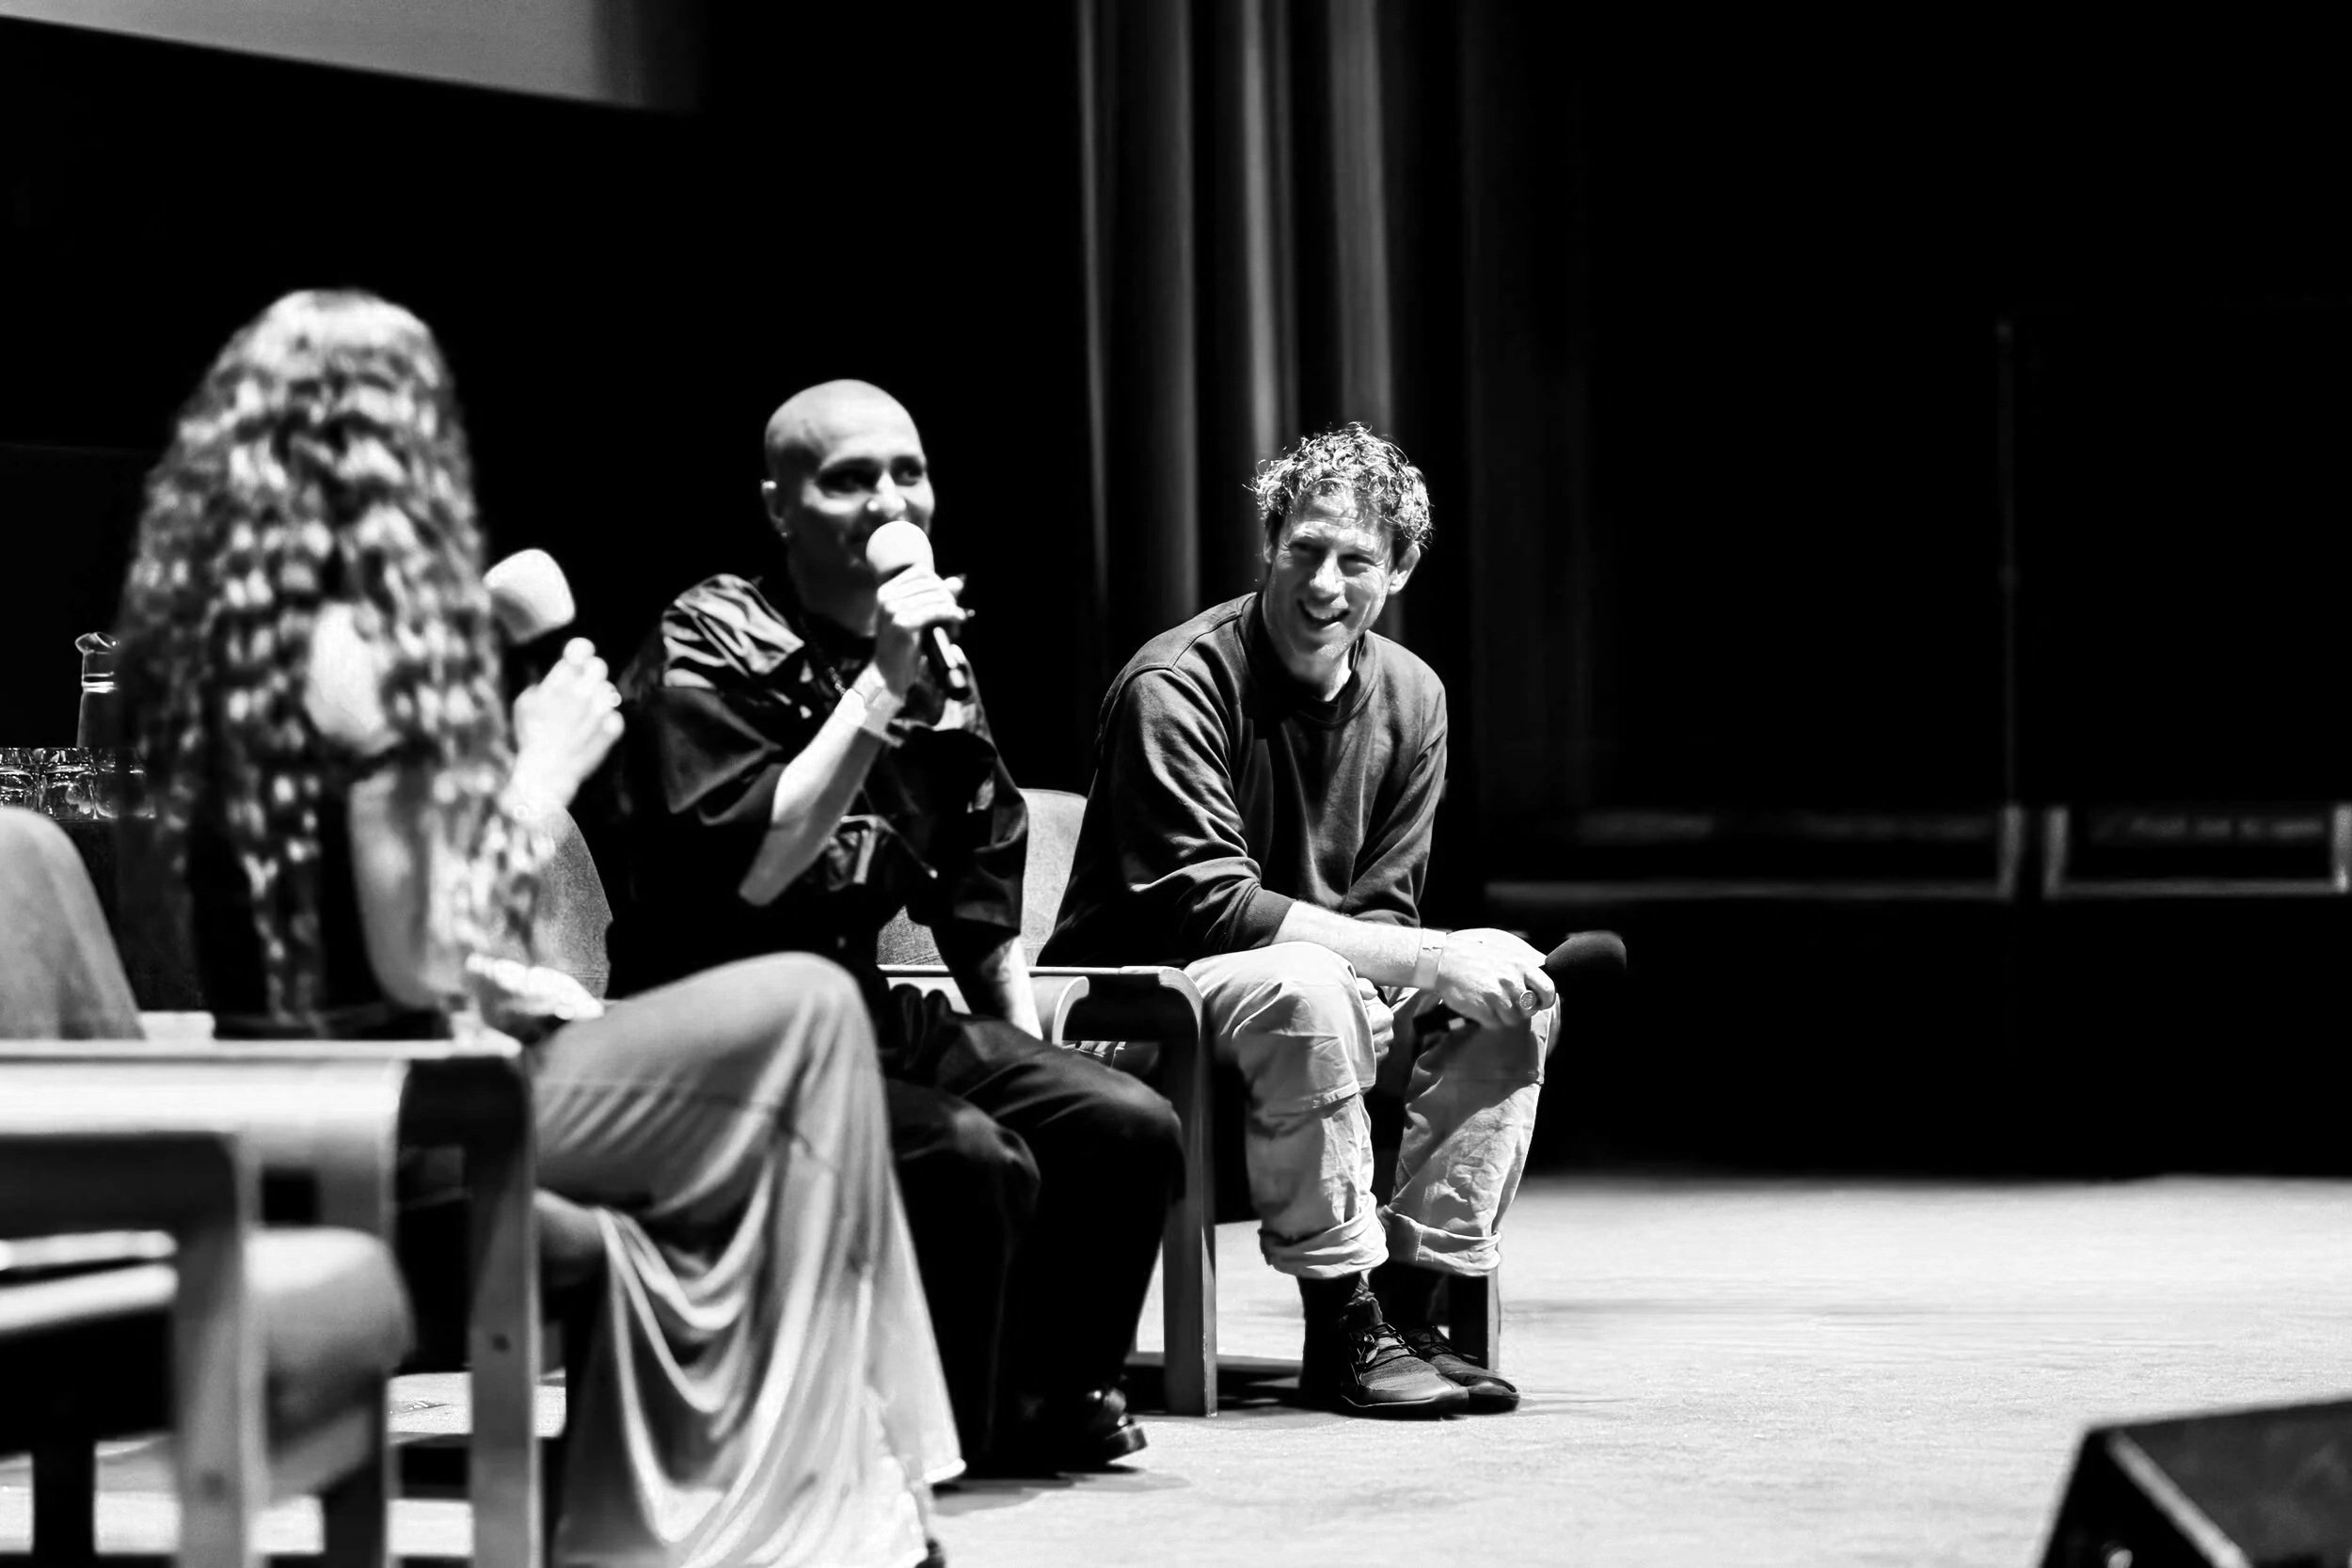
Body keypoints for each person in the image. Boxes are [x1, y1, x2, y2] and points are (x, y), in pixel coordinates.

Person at [113, 292, 960, 1568]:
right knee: (805, 1014)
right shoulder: (356, 656)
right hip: (397, 1114)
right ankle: (829, 1493)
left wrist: (507, 982)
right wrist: (535, 777)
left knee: (803, 1033)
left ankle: (792, 1495)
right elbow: (409, 957)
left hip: (367, 1072)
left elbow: (354, 941)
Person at [609, 379, 1184, 1473]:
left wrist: (1025, 1048)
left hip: (863, 1010)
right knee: (968, 1156)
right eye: (850, 477)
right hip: (721, 1027)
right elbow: (760, 866)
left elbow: (976, 895)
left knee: (1121, 1121)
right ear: (780, 505)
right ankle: (928, 1445)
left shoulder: (935, 664)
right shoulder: (709, 638)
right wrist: (879, 683)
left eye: (907, 472)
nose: (889, 501)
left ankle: (1052, 1391)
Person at [1043, 422, 1566, 1418]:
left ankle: (1407, 1307)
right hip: (1143, 1009)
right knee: (1316, 981)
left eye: (1356, 560)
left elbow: (1384, 903)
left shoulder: (1413, 696)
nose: (1323, 583)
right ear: (1271, 542)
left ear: (1399, 571)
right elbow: (1209, 903)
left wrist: (1403, 979)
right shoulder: (1176, 683)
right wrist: (1400, 965)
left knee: (1509, 986)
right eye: (1305, 549)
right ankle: (1339, 1325)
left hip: (1299, 999)